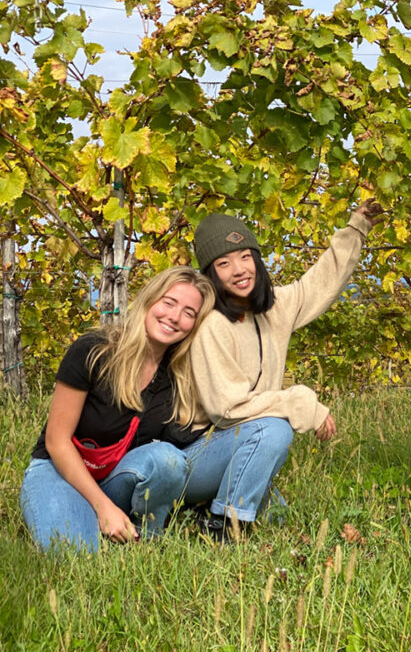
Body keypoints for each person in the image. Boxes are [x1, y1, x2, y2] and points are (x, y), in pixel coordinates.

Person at [183, 201, 383, 541]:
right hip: (199, 452)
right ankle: (224, 525)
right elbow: (227, 409)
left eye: (245, 256)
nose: (239, 269)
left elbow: (319, 283)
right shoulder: (212, 325)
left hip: (240, 447)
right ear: (211, 274)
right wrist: (300, 402)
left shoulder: (272, 309)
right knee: (275, 431)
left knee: (278, 520)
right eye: (224, 262)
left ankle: (207, 508)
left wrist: (356, 228)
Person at [19, 266, 215, 552]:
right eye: (169, 302)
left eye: (189, 313)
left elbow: (181, 448)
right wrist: (103, 506)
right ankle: (98, 519)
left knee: (168, 459)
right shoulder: (93, 351)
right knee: (73, 555)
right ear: (149, 301)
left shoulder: (179, 375)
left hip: (116, 477)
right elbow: (56, 441)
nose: (174, 317)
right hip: (59, 469)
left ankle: (145, 537)